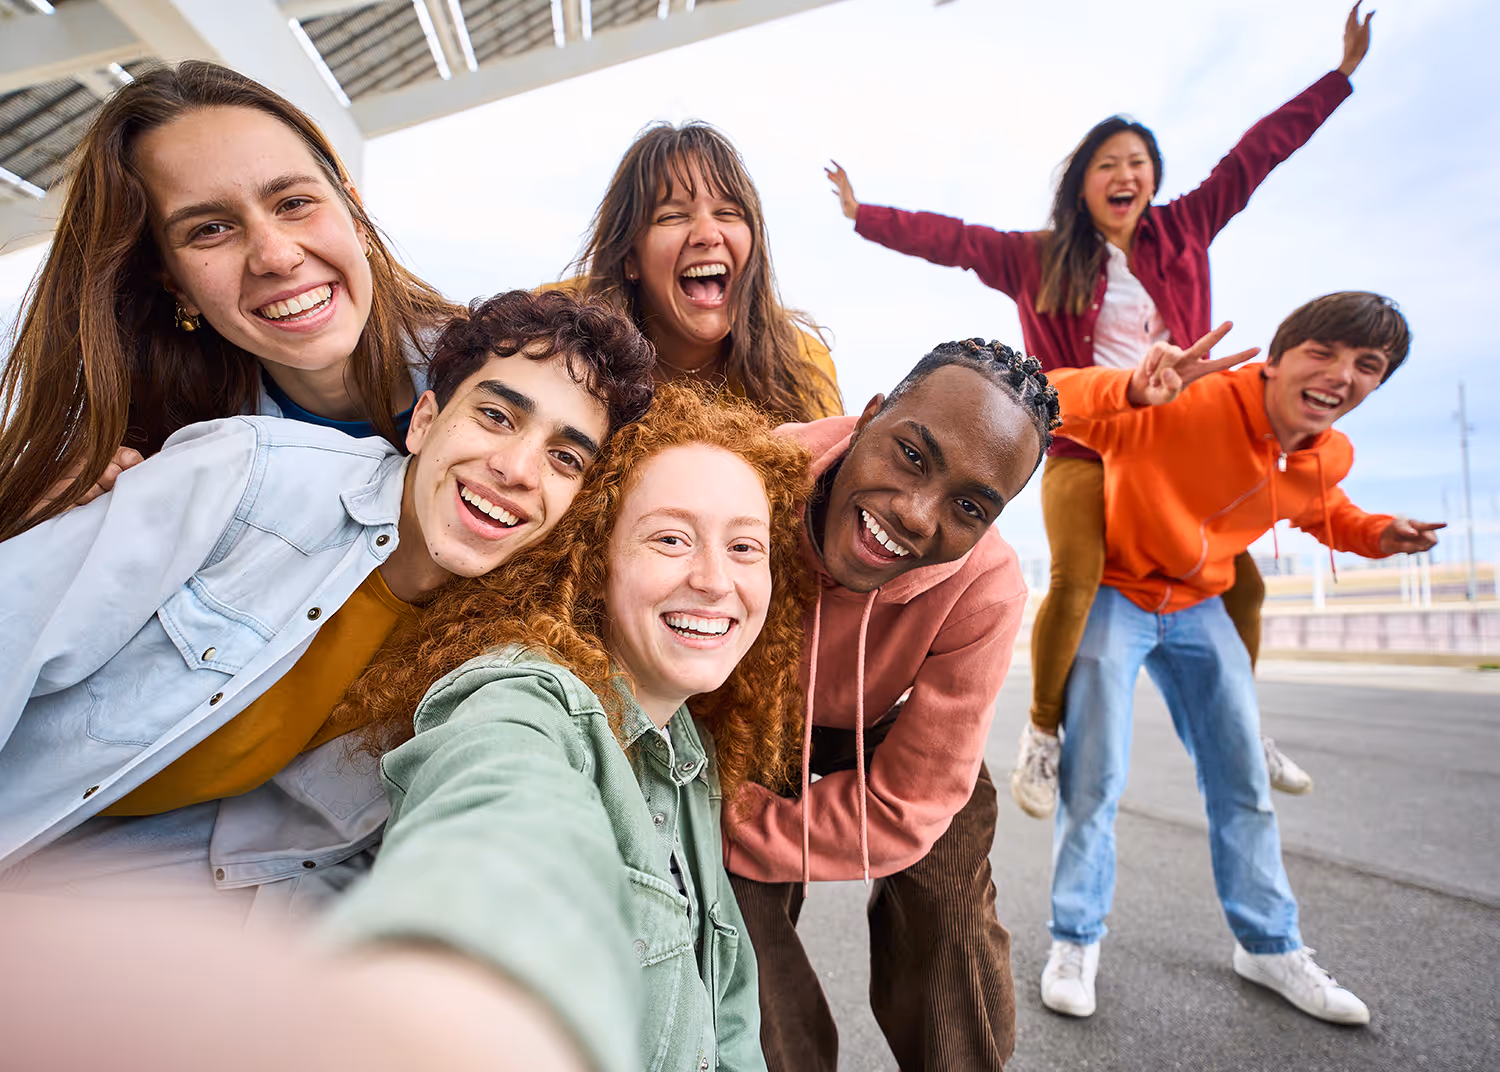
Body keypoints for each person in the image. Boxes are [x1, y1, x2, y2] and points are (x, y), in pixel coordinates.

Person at [826, 3, 1379, 815]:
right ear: (1083, 182)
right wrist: (862, 216)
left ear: (1152, 182)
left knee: (1244, 586)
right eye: (1110, 163)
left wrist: (1339, 78)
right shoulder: (1037, 258)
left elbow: (1254, 156)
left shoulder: (1186, 227)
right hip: (1088, 440)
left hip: (1183, 450)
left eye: (1140, 164)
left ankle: (1247, 725)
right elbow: (952, 237)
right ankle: (1043, 736)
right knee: (1077, 579)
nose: (1128, 175)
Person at [0, 289, 654, 914]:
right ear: (424, 422)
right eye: (495, 416)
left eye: (565, 457)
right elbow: (13, 626)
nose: (518, 469)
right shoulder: (251, 477)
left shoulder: (484, 651)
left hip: (107, 903)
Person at [319, 383, 813, 1071]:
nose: (713, 579)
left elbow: (726, 1016)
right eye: (670, 538)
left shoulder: (687, 748)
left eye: (744, 548)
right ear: (592, 558)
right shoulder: (523, 698)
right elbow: (500, 821)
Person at [1038, 294, 1442, 1024]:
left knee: (1243, 781)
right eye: (1323, 352)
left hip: (1199, 604)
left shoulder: (1327, 452)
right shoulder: (1189, 402)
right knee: (1093, 775)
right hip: (1120, 593)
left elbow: (1324, 510)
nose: (1340, 374)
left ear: (1377, 385)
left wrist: (1380, 533)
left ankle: (1268, 944)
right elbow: (1050, 398)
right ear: (1279, 357)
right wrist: (1129, 387)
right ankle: (1074, 940)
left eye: (1367, 366)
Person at [724, 339, 1059, 1071]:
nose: (914, 514)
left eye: (968, 506)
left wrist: (760, 828)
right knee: (732, 904)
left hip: (887, 721)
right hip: (748, 708)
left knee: (949, 905)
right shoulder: (752, 475)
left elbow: (913, 800)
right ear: (871, 416)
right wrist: (726, 824)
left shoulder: (988, 586)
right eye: (911, 455)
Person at [0, 60, 461, 540]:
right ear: (175, 283)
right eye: (210, 230)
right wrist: (46, 524)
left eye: (294, 203)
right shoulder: (166, 468)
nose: (276, 257)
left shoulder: (514, 368)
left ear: (357, 217)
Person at [567, 120, 841, 423]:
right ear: (630, 258)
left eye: (728, 213)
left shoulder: (801, 364)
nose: (709, 235)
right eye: (672, 216)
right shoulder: (559, 329)